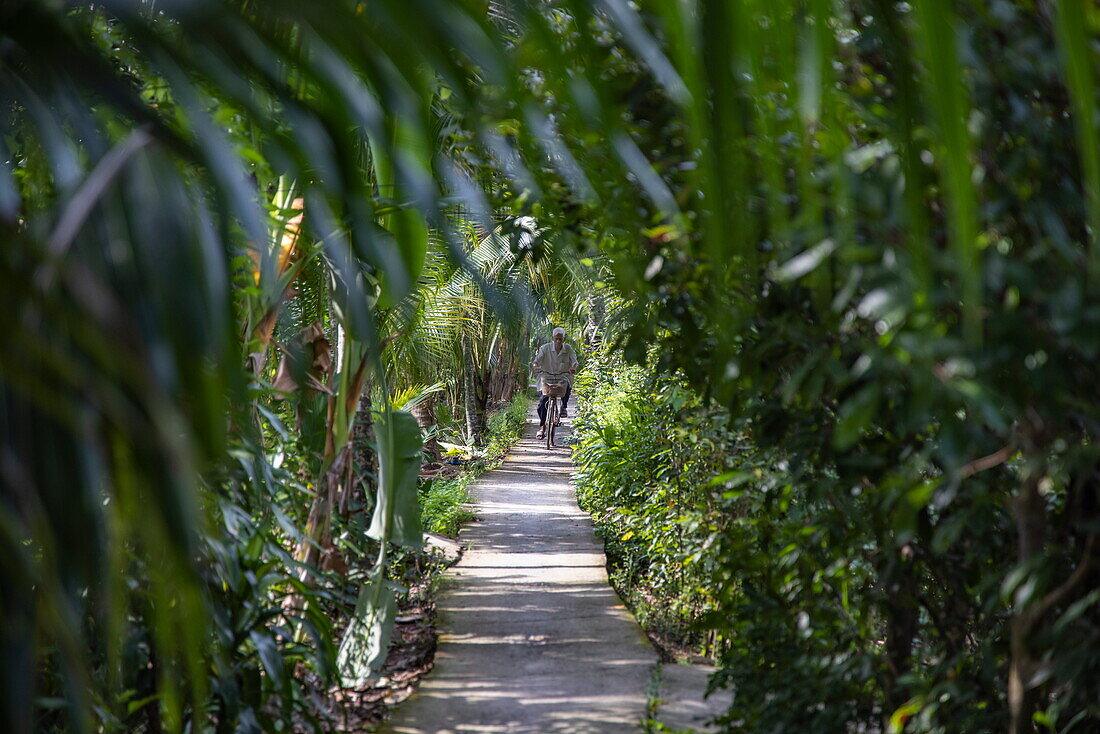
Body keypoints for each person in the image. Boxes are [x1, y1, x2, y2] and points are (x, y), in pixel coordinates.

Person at [533, 327, 579, 440]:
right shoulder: (545, 348)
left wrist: (573, 368)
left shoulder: (568, 349)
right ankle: (542, 427)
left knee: (567, 386)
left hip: (562, 376)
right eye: (556, 339)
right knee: (542, 403)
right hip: (546, 376)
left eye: (560, 339)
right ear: (552, 338)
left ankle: (564, 406)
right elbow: (536, 360)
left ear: (564, 339)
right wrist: (536, 366)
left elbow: (575, 362)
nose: (558, 341)